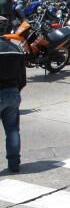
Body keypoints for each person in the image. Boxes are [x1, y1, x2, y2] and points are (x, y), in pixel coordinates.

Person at [0, 35, 27, 173]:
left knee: (12, 130)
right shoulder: (16, 48)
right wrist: (15, 90)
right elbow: (23, 77)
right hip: (12, 91)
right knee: (12, 130)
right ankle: (14, 163)